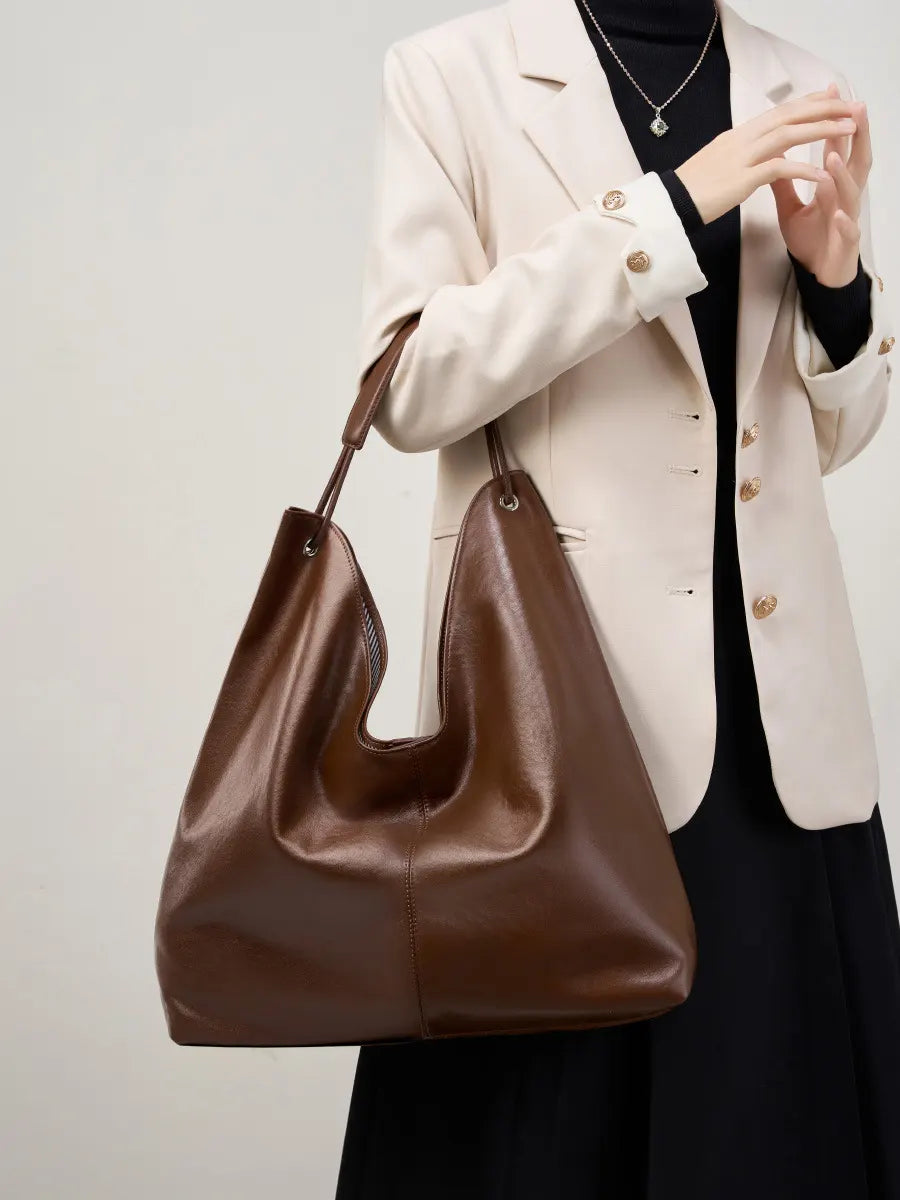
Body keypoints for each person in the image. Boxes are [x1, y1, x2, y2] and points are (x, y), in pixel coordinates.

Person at [335, 0, 900, 1196]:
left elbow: (831, 435)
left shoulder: (807, 83)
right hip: (556, 715)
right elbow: (410, 386)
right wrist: (664, 211)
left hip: (774, 736)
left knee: (775, 1138)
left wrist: (840, 288)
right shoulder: (450, 76)